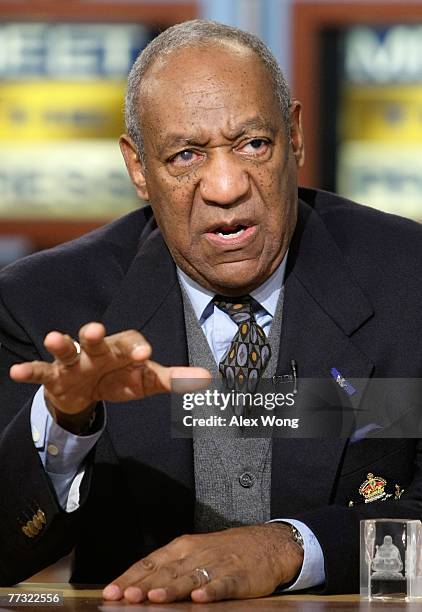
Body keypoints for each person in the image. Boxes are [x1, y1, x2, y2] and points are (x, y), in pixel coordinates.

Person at [0, 19, 421, 604]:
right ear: (138, 168)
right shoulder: (46, 304)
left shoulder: (411, 281)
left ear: (295, 136)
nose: (225, 186)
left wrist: (288, 548)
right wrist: (64, 422)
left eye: (253, 144)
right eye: (186, 155)